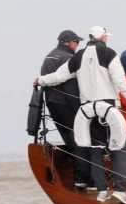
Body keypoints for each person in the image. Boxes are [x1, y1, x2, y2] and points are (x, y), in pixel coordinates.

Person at [35, 26, 126, 204]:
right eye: (106, 36)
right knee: (120, 147)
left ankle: (101, 190)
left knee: (96, 148)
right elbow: (120, 80)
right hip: (107, 106)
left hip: (88, 110)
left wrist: (40, 80)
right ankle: (120, 190)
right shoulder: (109, 53)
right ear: (102, 38)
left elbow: (59, 76)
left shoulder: (78, 57)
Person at [38, 29, 89, 187]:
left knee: (69, 139)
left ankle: (75, 177)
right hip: (67, 104)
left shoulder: (49, 56)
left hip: (53, 105)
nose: (78, 44)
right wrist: (80, 111)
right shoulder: (69, 58)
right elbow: (71, 87)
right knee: (79, 140)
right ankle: (83, 179)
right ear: (68, 42)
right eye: (76, 42)